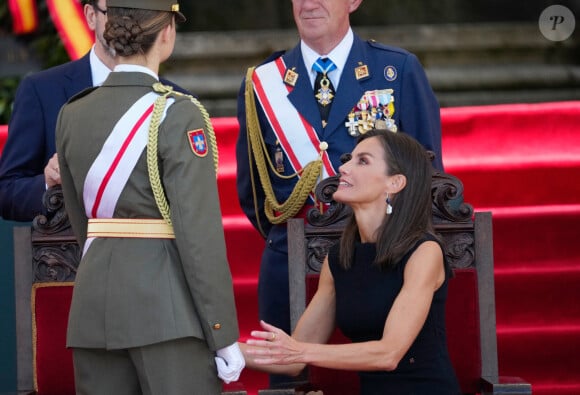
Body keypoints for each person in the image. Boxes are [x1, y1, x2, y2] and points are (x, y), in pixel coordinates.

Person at [235, 0, 444, 374]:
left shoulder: (396, 70)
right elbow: (254, 190)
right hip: (288, 258)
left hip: (383, 261)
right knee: (288, 382)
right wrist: (293, 237)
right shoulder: (264, 81)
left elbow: (426, 175)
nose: (309, 3)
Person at [55, 1, 244, 393]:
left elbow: (82, 223)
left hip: (92, 311)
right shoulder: (179, 114)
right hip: (167, 315)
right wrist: (222, 331)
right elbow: (199, 237)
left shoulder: (73, 112)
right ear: (167, 32)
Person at [242, 129, 461, 395]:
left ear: (395, 183)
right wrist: (225, 349)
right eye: (349, 159)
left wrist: (299, 350)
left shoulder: (424, 251)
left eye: (363, 161)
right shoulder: (338, 259)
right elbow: (293, 360)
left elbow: (388, 354)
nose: (343, 167)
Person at [0, 0, 186, 222]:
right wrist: (49, 182)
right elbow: (7, 192)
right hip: (70, 252)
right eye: (115, 13)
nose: (128, 25)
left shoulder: (178, 101)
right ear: (90, 16)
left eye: (139, 15)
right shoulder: (42, 90)